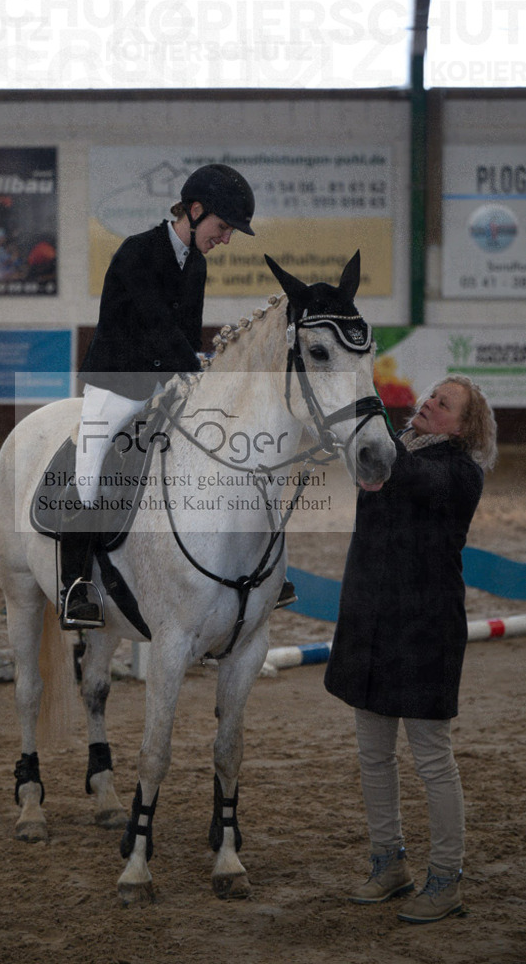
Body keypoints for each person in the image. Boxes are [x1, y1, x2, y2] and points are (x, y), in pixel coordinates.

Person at [60, 164, 297, 629]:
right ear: (194, 210)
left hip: (164, 382)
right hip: (117, 384)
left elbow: (185, 336)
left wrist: (200, 368)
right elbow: (154, 325)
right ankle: (75, 585)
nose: (225, 239)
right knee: (90, 464)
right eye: (222, 227)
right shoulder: (137, 253)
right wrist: (192, 366)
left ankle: (262, 566)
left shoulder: (198, 265)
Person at [323, 374, 498, 924]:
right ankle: (389, 865)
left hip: (424, 630)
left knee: (432, 761)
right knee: (374, 756)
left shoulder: (460, 473)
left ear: (464, 426)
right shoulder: (389, 456)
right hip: (370, 622)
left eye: (442, 404)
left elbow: (411, 473)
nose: (427, 404)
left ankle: (445, 880)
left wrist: (367, 407)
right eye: (429, 397)